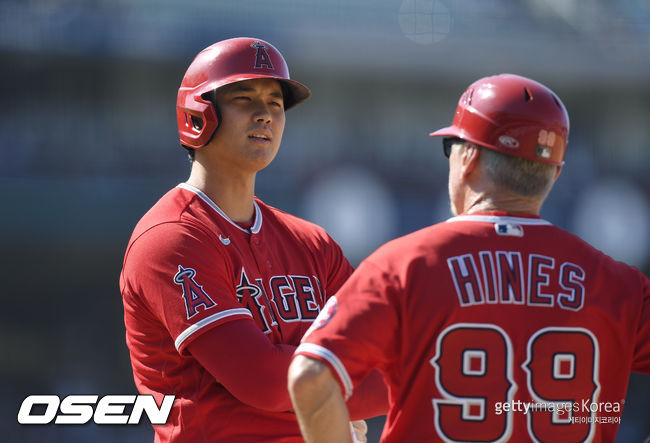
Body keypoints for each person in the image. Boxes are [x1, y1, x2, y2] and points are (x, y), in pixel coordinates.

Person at [288, 73, 650, 442]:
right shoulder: (620, 284)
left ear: (469, 158)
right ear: (554, 173)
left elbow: (310, 377)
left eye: (452, 147)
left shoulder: (404, 266)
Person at [120, 37, 387, 442]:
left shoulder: (312, 244)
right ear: (198, 114)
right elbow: (263, 382)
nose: (265, 114)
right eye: (244, 98)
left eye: (276, 103)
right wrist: (347, 384)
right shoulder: (172, 238)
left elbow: (385, 355)